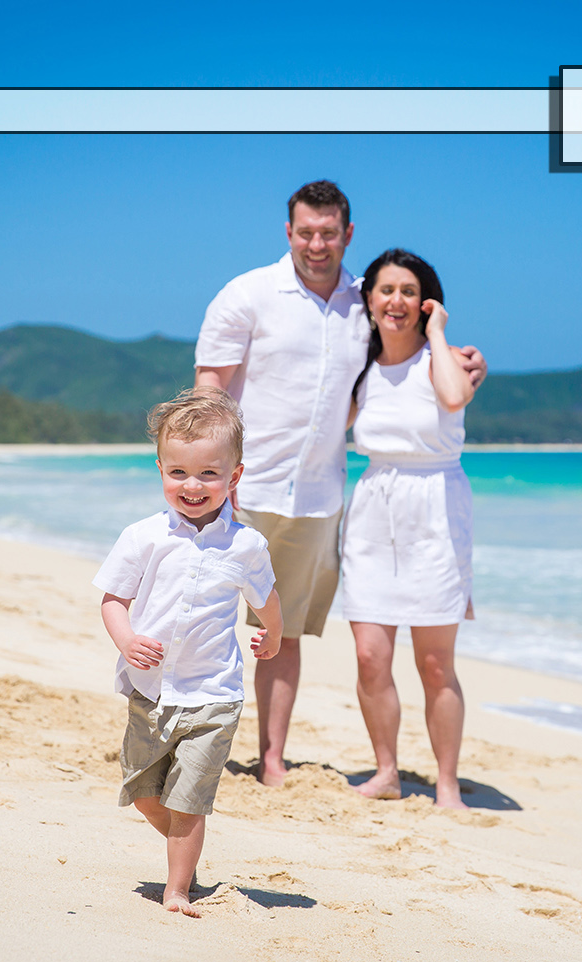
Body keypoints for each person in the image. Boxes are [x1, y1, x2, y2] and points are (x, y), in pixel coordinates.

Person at [194, 180, 486, 786]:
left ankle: (271, 759)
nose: (318, 244)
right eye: (306, 232)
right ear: (289, 232)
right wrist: (210, 475)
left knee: (283, 633)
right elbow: (209, 387)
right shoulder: (248, 293)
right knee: (201, 620)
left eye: (330, 233)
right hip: (242, 490)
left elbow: (407, 364)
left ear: (348, 234)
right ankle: (191, 743)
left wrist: (463, 357)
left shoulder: (367, 302)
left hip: (319, 500)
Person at [94, 387, 283, 917]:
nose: (192, 486)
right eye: (178, 473)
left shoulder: (246, 545)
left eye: (208, 474)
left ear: (234, 477)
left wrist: (273, 635)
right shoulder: (143, 537)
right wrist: (128, 641)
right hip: (149, 690)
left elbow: (267, 598)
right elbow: (114, 600)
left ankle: (177, 888)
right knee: (143, 791)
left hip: (213, 694)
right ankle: (184, 854)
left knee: (189, 801)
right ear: (160, 469)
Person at [341, 249, 478, 809]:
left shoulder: (444, 359)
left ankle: (447, 784)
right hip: (374, 510)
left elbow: (452, 396)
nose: (395, 300)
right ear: (368, 299)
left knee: (434, 661)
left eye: (408, 291)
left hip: (437, 510)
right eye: (385, 289)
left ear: (425, 302)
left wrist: (439, 331)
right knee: (371, 655)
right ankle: (388, 771)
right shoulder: (362, 367)